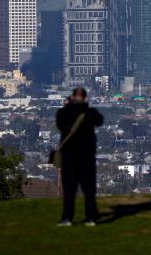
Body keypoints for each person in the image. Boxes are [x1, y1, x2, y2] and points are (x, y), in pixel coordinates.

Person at [55, 86, 104, 226]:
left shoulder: (64, 112)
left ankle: (67, 218)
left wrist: (67, 105)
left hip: (69, 156)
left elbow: (59, 125)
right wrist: (86, 106)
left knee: (69, 189)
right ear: (85, 98)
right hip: (87, 156)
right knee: (89, 189)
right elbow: (100, 121)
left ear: (71, 97)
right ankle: (91, 218)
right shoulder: (90, 112)